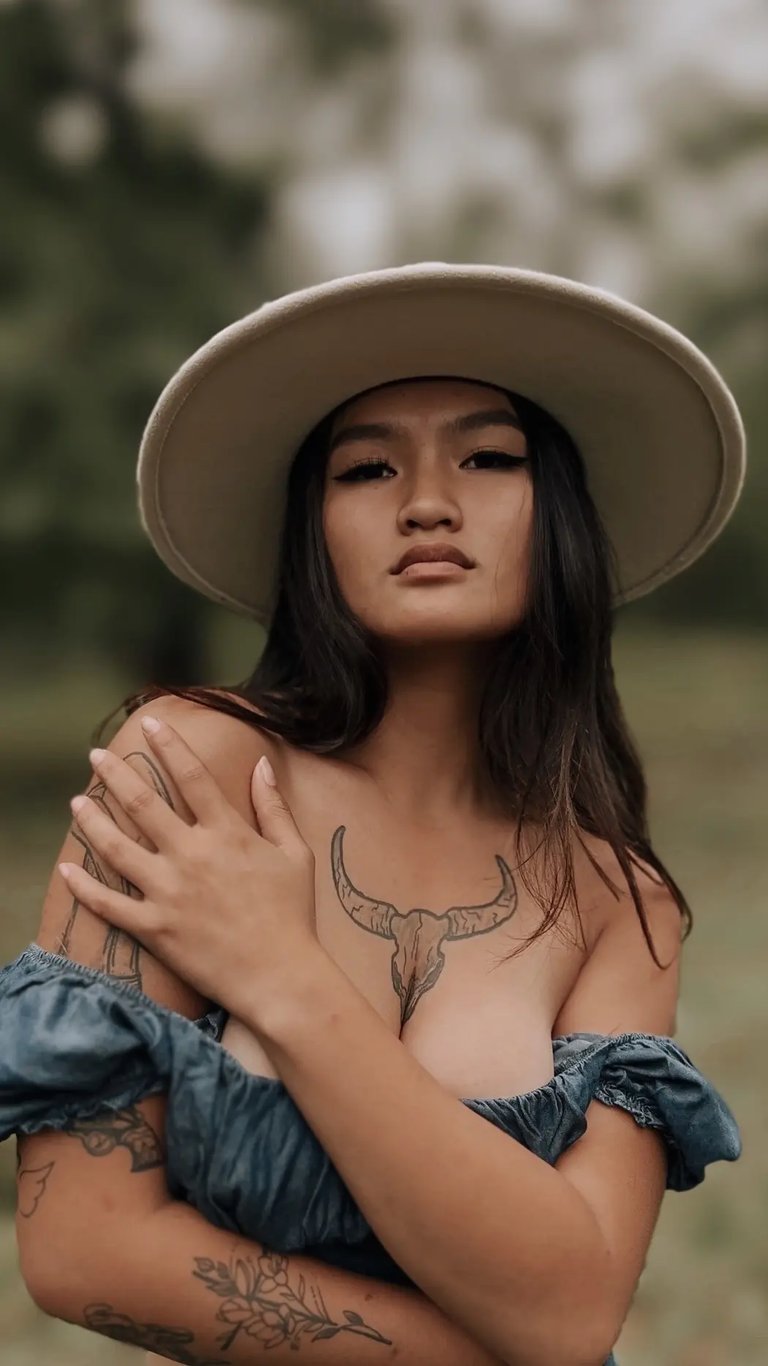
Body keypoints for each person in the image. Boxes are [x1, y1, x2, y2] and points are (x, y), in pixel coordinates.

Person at [0, 263, 744, 1366]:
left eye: (491, 458)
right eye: (366, 468)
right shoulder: (190, 770)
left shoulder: (619, 902)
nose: (427, 501)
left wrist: (281, 975)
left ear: (563, 520)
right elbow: (81, 1248)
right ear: (316, 525)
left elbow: (580, 1309)